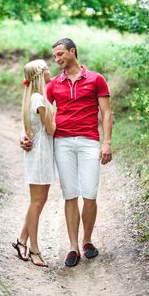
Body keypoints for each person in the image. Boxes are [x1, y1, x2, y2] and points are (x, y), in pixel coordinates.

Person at [20, 38, 112, 267]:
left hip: (89, 141)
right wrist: (22, 133)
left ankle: (87, 241)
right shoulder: (53, 84)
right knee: (70, 194)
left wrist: (107, 142)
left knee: (90, 193)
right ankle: (73, 247)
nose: (58, 59)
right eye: (55, 56)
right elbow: (33, 109)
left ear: (73, 52)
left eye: (61, 54)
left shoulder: (96, 79)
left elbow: (107, 113)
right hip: (62, 143)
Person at [12, 59, 56, 267]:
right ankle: (34, 249)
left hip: (40, 153)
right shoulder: (39, 98)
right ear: (40, 74)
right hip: (39, 154)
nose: (50, 70)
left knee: (39, 200)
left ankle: (22, 240)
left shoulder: (34, 96)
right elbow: (51, 129)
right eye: (47, 68)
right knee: (37, 201)